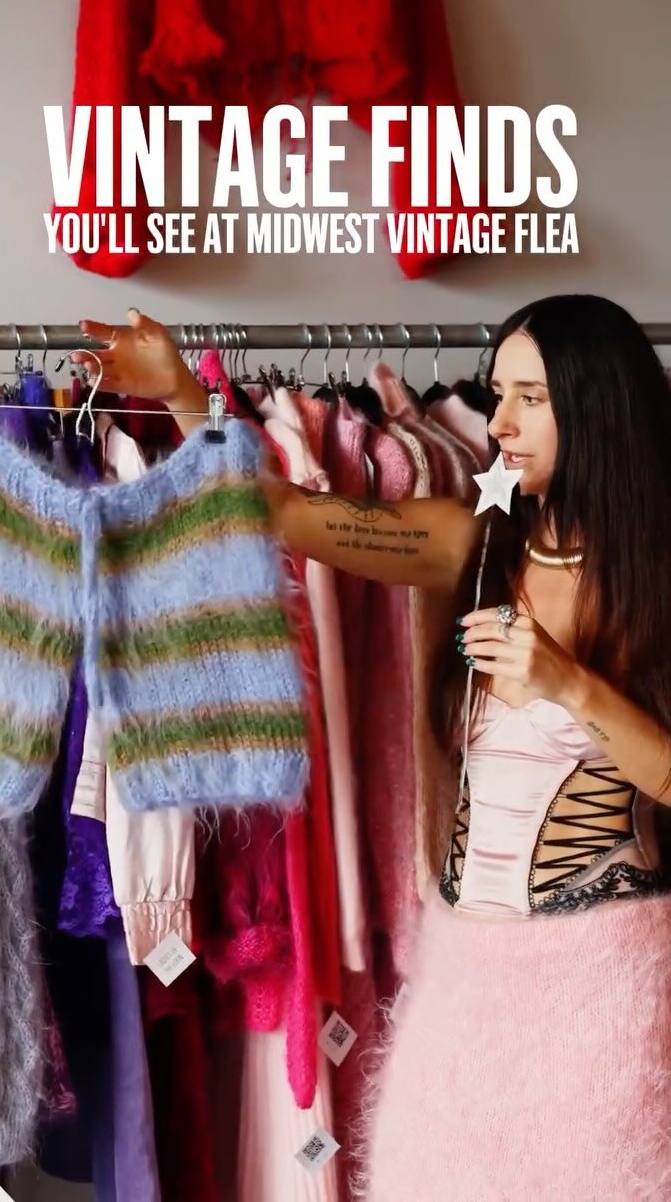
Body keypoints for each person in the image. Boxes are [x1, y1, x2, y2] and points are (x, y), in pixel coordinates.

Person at [75, 296, 671, 1199]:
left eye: (532, 398)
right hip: (466, 978)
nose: (499, 422)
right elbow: (280, 511)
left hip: (609, 985)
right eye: (499, 394)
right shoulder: (477, 544)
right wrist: (183, 396)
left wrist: (572, 686)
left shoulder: (657, 581)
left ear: (599, 406)